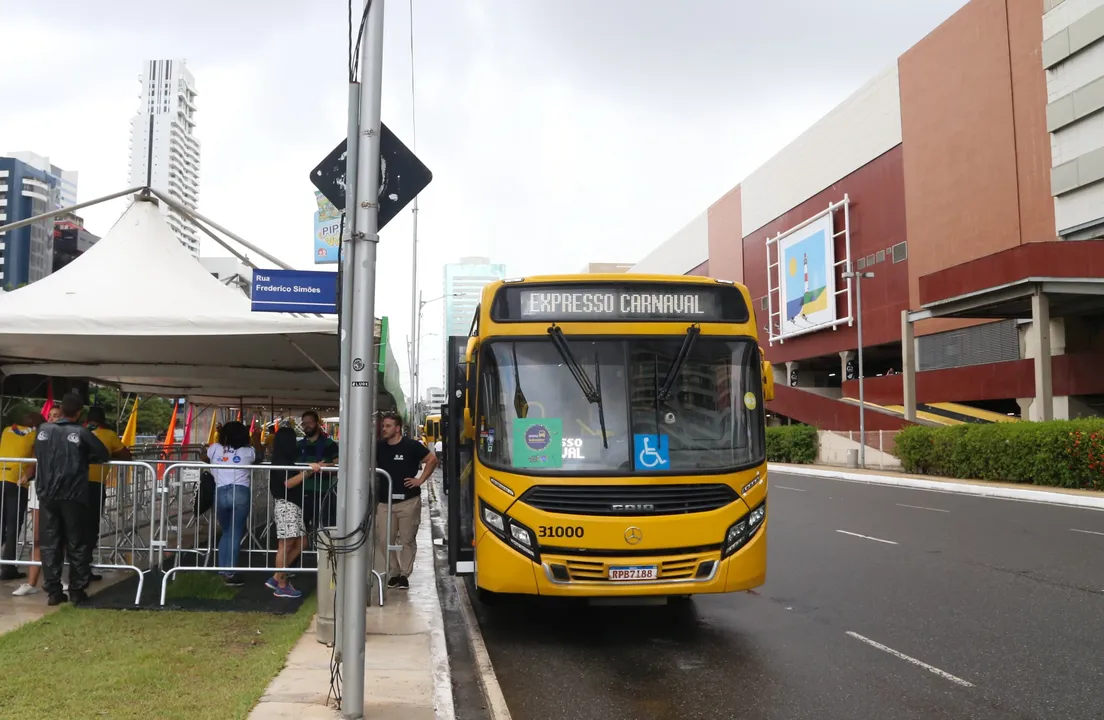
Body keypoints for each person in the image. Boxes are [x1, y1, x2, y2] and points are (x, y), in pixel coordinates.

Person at [34, 393, 109, 606]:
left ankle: (54, 591)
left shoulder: (43, 430)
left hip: (47, 493)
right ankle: (77, 589)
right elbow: (103, 454)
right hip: (73, 494)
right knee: (77, 542)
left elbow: (38, 452)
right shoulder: (80, 432)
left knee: (50, 543)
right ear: (79, 413)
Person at [375, 412, 437, 590]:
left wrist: (420, 480)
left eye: (387, 426)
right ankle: (393, 572)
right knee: (384, 539)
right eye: (383, 426)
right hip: (384, 502)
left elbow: (432, 459)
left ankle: (404, 574)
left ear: (397, 428)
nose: (384, 429)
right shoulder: (379, 447)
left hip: (408, 501)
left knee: (407, 539)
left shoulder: (412, 446)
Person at [84, 407, 132, 581]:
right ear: (103, 421)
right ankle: (84, 569)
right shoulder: (109, 435)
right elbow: (127, 456)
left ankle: (73, 568)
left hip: (72, 485)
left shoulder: (77, 431)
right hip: (94, 485)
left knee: (73, 527)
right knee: (90, 528)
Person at [207, 420, 255, 587]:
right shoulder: (248, 451)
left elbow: (203, 455)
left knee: (226, 532)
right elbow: (259, 456)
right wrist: (255, 438)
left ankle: (223, 569)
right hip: (240, 491)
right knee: (235, 533)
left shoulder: (214, 448)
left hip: (220, 491)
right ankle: (231, 572)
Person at [1, 412, 44, 583]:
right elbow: (34, 461)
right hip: (17, 482)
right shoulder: (35, 435)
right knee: (13, 525)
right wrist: (27, 477)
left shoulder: (6, 430)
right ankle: (8, 567)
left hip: (0, 478)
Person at [264, 427, 307, 598]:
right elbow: (287, 483)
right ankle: (281, 583)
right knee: (286, 544)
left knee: (302, 543)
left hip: (293, 505)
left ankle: (277, 576)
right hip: (286, 505)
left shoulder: (285, 460)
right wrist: (308, 472)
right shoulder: (281, 461)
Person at [298, 410, 339, 535]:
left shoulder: (330, 444)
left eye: (310, 422)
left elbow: (338, 465)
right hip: (301, 493)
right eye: (304, 424)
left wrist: (325, 467)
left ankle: (324, 554)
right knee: (300, 530)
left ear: (317, 423)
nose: (307, 426)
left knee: (325, 528)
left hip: (323, 493)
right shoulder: (298, 445)